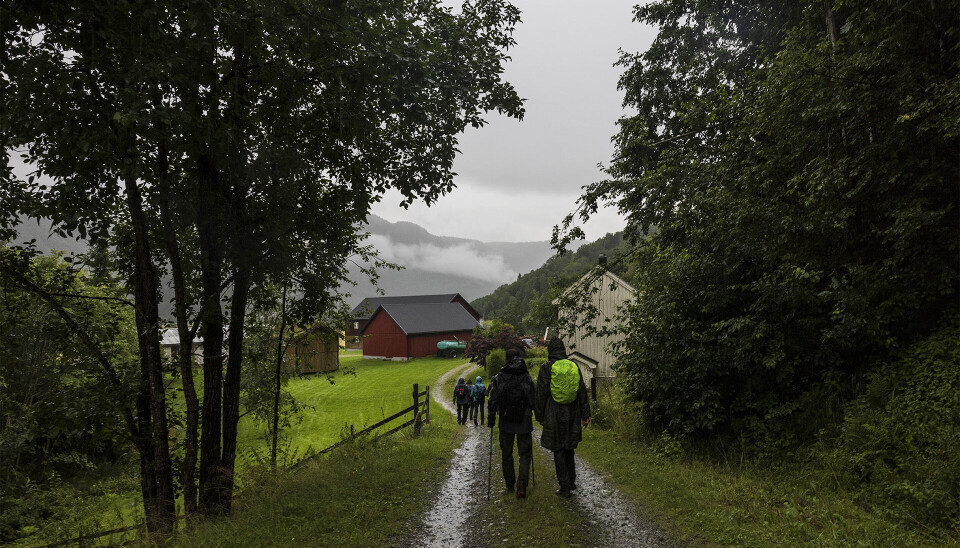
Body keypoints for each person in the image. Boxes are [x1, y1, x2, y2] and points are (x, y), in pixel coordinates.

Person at [535, 338, 591, 498]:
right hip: (573, 412)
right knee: (569, 448)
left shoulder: (546, 368)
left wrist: (540, 415)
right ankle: (572, 481)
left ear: (550, 350)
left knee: (558, 448)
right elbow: (582, 392)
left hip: (554, 412)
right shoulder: (573, 366)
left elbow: (541, 394)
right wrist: (585, 415)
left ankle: (564, 486)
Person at [487, 348, 536, 498]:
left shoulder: (500, 376)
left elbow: (493, 399)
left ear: (506, 359)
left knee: (506, 454)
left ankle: (509, 485)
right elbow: (533, 399)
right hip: (524, 420)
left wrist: (490, 417)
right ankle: (521, 485)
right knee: (525, 454)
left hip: (506, 420)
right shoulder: (526, 376)